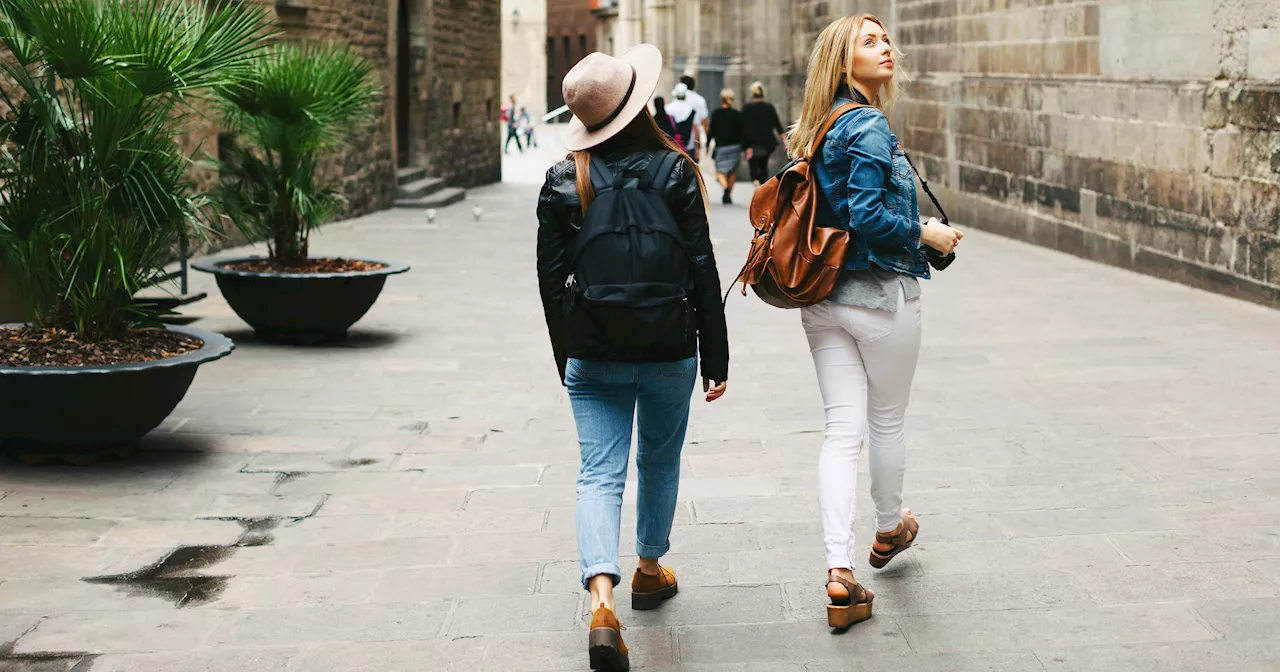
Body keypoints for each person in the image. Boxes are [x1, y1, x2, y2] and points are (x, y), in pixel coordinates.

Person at [537, 45, 729, 671]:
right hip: (670, 343)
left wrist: (568, 355)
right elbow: (702, 266)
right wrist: (715, 357)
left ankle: (600, 604)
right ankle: (648, 569)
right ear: (640, 103)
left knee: (598, 473)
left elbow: (550, 280)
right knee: (659, 457)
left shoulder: (565, 177)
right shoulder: (675, 171)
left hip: (593, 348)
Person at [785, 14, 962, 629]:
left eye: (887, 39)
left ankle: (840, 573)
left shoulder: (819, 124)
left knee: (840, 431)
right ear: (841, 60)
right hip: (880, 296)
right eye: (869, 41)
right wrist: (929, 231)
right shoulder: (866, 124)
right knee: (885, 421)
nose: (887, 48)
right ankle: (888, 530)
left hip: (821, 297)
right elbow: (868, 217)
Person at [742, 81, 786, 186]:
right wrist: (785, 140)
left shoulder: (746, 108)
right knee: (763, 165)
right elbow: (777, 125)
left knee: (753, 165)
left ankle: (755, 182)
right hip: (766, 143)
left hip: (752, 143)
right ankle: (762, 185)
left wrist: (745, 145)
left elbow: (742, 128)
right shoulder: (769, 107)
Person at [707, 88, 746, 204]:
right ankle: (728, 194)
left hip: (721, 146)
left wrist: (709, 142)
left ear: (721, 99)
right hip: (735, 146)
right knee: (732, 171)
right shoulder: (737, 114)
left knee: (720, 171)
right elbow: (742, 131)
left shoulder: (716, 113)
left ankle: (725, 188)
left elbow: (712, 130)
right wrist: (743, 146)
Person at [679, 74, 710, 159]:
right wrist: (707, 141)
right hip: (694, 141)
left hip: (678, 141)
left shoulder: (678, 99)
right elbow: (704, 122)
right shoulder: (700, 100)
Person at [665, 83, 699, 156]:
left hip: (672, 146)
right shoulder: (691, 109)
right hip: (689, 146)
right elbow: (695, 128)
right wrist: (697, 148)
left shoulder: (668, 108)